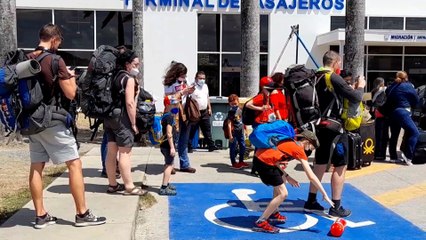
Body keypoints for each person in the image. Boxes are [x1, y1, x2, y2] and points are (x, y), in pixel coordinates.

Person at [27, 23, 106, 228]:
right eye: (59, 42)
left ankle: (40, 215)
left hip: (32, 120)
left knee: (37, 166)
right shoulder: (55, 60)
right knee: (74, 164)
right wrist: (70, 75)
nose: (59, 46)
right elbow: (71, 94)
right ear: (54, 40)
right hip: (52, 120)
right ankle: (82, 214)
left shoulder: (27, 58)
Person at [304, 50, 365, 217]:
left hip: (319, 125)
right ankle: (336, 206)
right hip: (335, 127)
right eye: (339, 63)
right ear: (335, 62)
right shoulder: (332, 77)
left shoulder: (314, 77)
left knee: (320, 162)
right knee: (340, 164)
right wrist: (360, 87)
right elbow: (355, 97)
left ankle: (311, 200)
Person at [252, 129, 334, 233]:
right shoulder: (298, 150)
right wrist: (324, 194)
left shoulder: (290, 142)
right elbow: (311, 176)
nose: (310, 151)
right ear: (307, 142)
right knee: (283, 194)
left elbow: (275, 158)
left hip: (263, 159)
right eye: (311, 148)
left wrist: (287, 175)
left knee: (282, 180)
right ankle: (261, 221)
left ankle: (273, 211)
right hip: (264, 163)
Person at [104, 49, 146, 195]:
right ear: (127, 64)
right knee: (125, 152)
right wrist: (134, 124)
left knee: (111, 152)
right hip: (122, 118)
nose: (137, 67)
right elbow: (129, 103)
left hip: (108, 116)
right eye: (135, 64)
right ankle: (129, 186)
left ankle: (112, 184)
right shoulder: (128, 79)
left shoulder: (112, 75)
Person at [163, 62, 196, 173]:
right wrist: (182, 92)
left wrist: (189, 91)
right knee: (173, 138)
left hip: (184, 111)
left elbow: (185, 95)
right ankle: (170, 164)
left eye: (185, 75)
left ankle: (184, 164)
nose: (184, 77)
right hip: (174, 111)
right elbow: (169, 99)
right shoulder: (169, 83)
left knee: (184, 139)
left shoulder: (184, 82)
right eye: (182, 74)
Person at [386, 71, 419, 165]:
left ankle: (393, 157)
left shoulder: (391, 87)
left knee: (394, 135)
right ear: (406, 78)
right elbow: (415, 99)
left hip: (393, 113)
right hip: (403, 111)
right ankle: (408, 157)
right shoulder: (408, 86)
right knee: (414, 132)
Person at [188, 71, 218, 152]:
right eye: (200, 78)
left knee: (207, 129)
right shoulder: (192, 87)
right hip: (195, 112)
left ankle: (211, 146)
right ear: (196, 78)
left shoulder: (205, 86)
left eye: (203, 78)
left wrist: (209, 108)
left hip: (204, 111)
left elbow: (207, 97)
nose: (202, 80)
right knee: (192, 130)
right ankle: (189, 146)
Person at [159, 96, 180, 195]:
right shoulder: (170, 117)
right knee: (169, 165)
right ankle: (163, 187)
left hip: (164, 145)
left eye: (177, 105)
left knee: (168, 164)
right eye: (174, 105)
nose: (177, 107)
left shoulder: (166, 116)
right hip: (167, 146)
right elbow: (169, 133)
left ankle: (166, 183)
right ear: (168, 106)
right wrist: (172, 147)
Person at [226, 94, 248, 169]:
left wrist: (246, 130)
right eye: (232, 104)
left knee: (243, 146)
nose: (234, 105)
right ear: (229, 104)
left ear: (238, 102)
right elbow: (229, 124)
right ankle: (233, 162)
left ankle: (241, 160)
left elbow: (243, 121)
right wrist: (230, 135)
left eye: (235, 103)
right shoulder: (231, 112)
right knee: (233, 147)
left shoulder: (240, 110)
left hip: (240, 131)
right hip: (234, 132)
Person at [370, 77, 389, 161]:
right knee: (382, 135)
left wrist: (374, 107)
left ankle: (379, 153)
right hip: (382, 115)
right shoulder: (383, 91)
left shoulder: (376, 91)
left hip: (379, 115)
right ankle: (380, 153)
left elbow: (376, 103)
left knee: (379, 135)